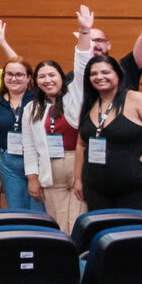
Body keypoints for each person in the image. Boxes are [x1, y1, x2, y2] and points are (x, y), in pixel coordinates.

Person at [78, 55, 142, 214]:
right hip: (97, 189)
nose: (99, 77)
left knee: (136, 229)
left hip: (138, 188)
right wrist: (78, 179)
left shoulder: (136, 100)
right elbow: (81, 144)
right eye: (93, 74)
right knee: (104, 229)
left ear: (117, 74)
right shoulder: (90, 104)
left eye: (105, 72)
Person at [73, 0, 142, 99]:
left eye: (99, 40)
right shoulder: (75, 78)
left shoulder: (125, 68)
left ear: (108, 45)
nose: (95, 45)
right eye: (90, 41)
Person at [22, 60, 83, 230]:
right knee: (59, 222)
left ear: (61, 77)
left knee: (78, 221)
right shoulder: (31, 108)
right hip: (49, 167)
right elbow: (29, 146)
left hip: (78, 164)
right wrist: (32, 178)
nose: (47, 80)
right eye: (41, 76)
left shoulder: (74, 98)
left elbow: (82, 66)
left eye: (52, 75)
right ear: (36, 81)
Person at [0, 55, 43, 214]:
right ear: (3, 76)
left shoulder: (39, 100)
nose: (13, 78)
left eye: (19, 75)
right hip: (9, 164)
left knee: (39, 211)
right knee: (17, 211)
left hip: (37, 161)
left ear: (29, 77)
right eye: (9, 74)